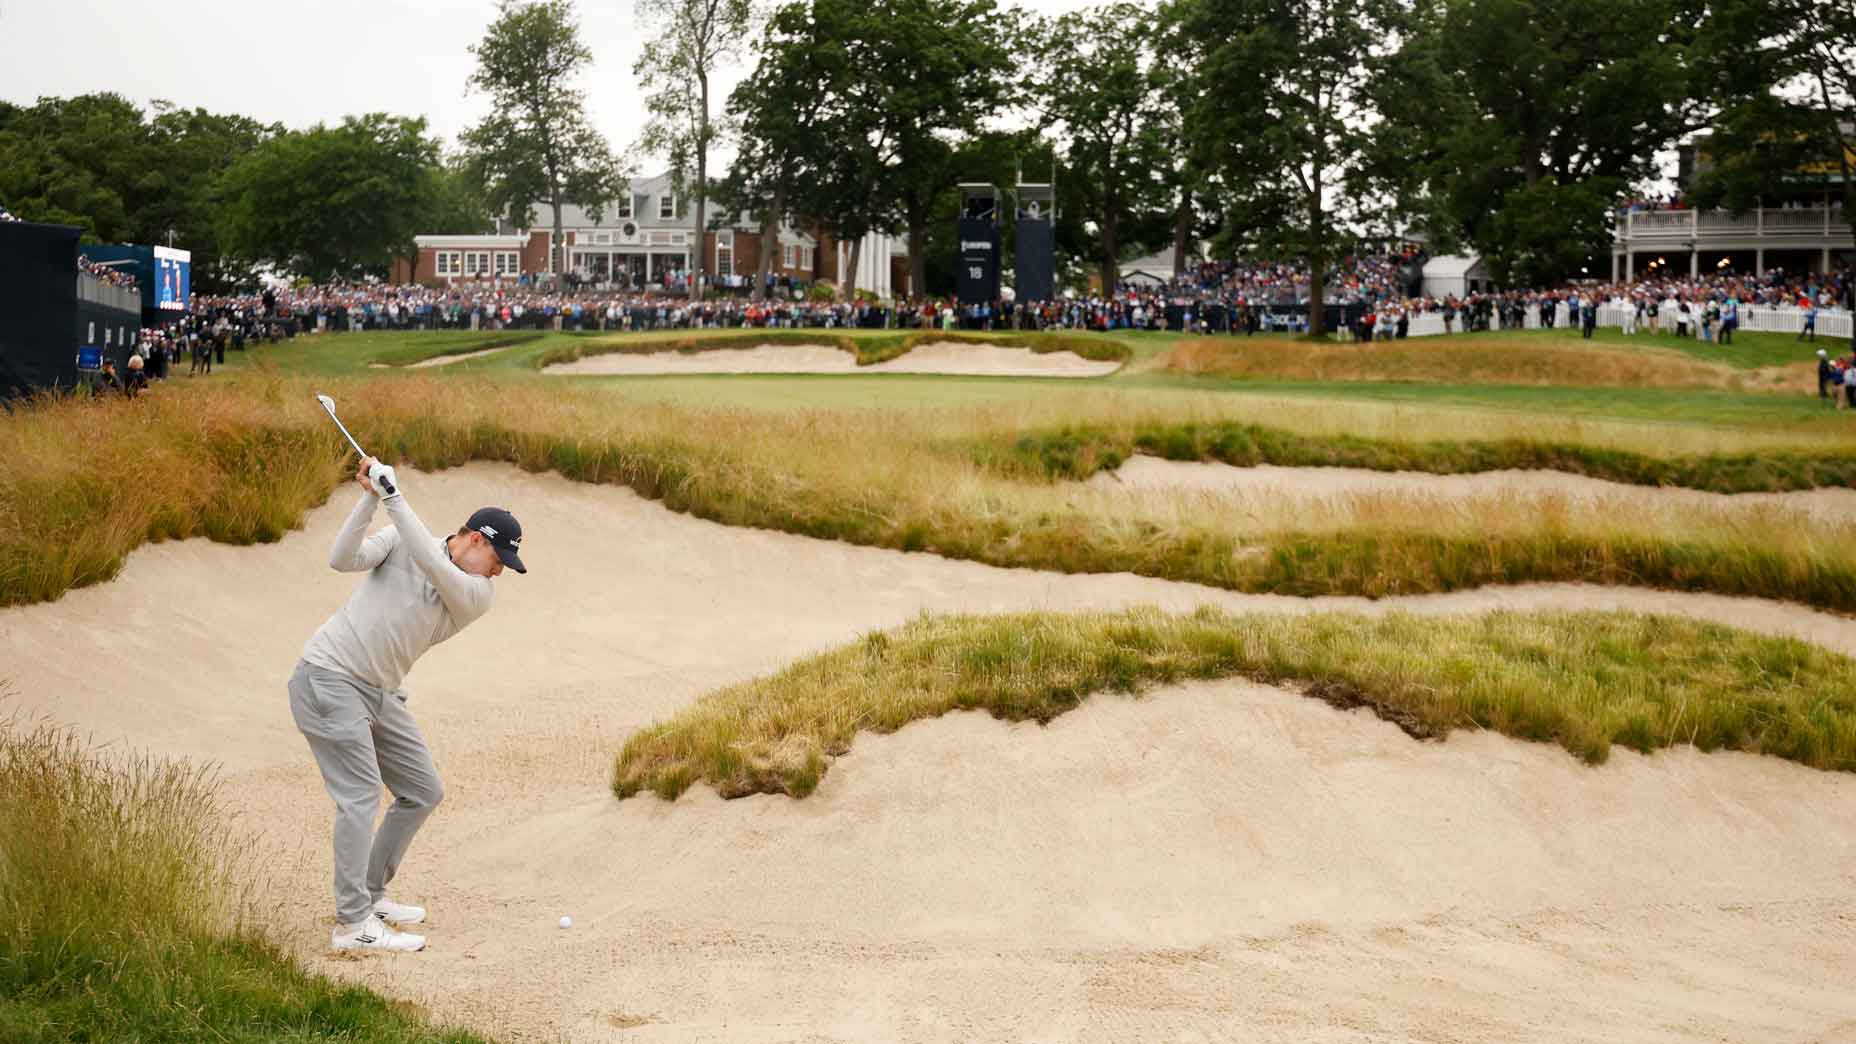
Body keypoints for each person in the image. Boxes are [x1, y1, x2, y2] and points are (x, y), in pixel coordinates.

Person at [288, 456, 527, 952]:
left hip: (378, 691)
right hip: (329, 676)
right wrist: (370, 499)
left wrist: (394, 498)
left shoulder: (476, 594)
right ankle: (352, 925)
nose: (500, 572)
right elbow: (342, 558)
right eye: (499, 560)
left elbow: (434, 563)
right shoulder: (402, 538)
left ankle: (372, 895)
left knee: (422, 790)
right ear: (476, 540)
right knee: (358, 796)